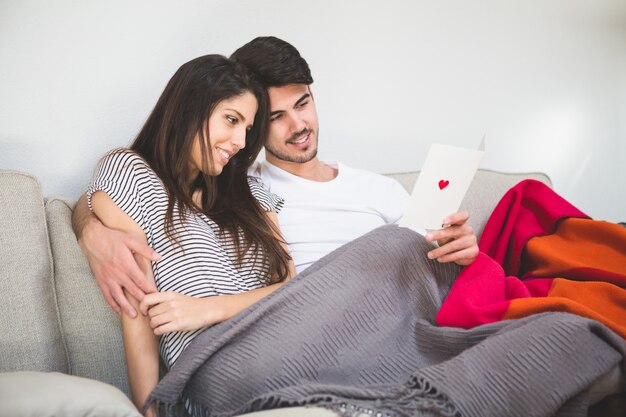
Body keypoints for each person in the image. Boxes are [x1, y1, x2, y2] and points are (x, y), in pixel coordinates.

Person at [71, 36, 478, 317]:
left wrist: (460, 251)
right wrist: (90, 225)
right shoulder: (242, 194)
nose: (298, 125)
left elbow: (433, 268)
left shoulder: (381, 189)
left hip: (409, 310)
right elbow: (128, 195)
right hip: (321, 322)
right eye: (276, 118)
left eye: (303, 104)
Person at [83, 54, 295, 414]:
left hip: (296, 342)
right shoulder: (130, 171)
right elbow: (137, 306)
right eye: (231, 120)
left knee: (390, 245)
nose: (241, 141)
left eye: (247, 128)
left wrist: (208, 310)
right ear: (190, 108)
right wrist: (150, 410)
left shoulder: (250, 191)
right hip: (224, 369)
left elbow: (294, 288)